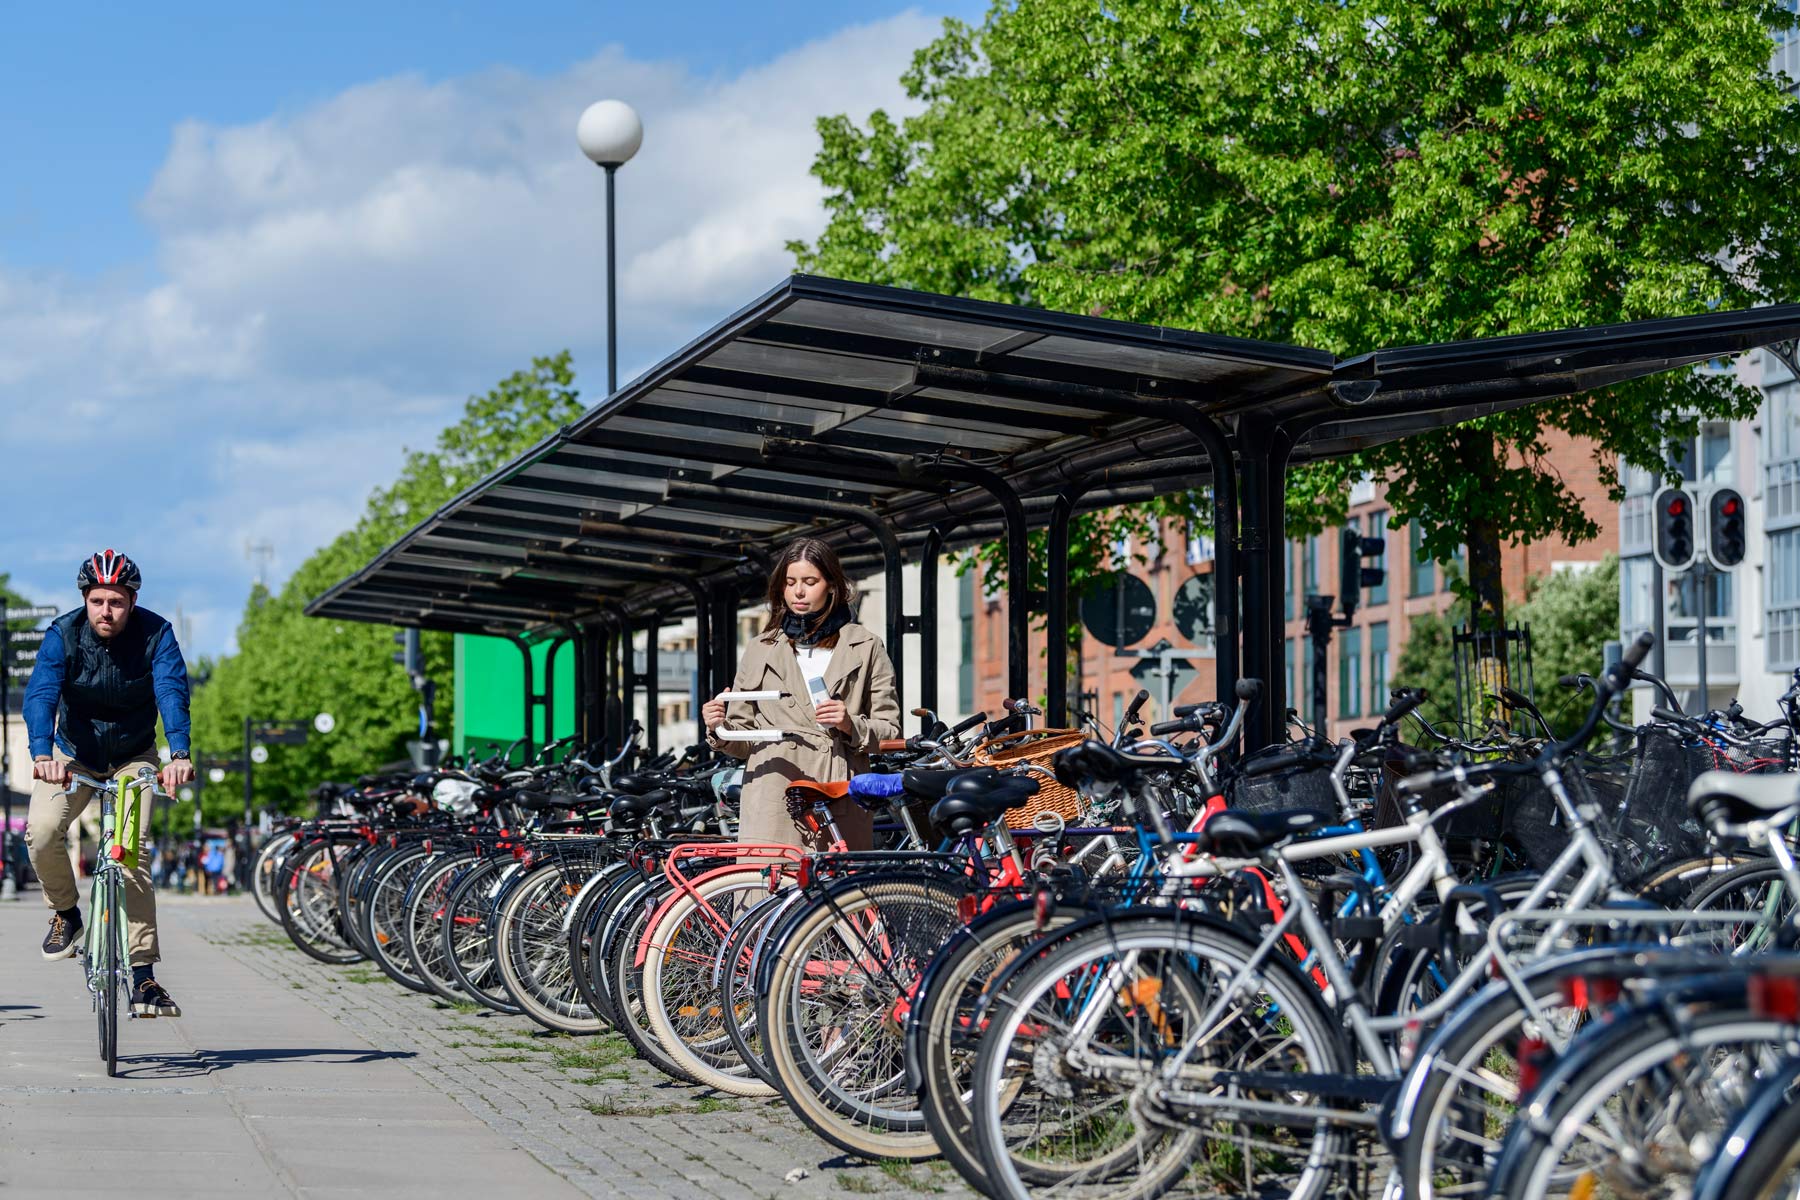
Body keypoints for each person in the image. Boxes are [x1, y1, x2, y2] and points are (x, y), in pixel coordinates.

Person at [23, 550, 193, 1018]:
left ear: (132, 600)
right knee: (40, 831)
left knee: (131, 853)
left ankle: (143, 977)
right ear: (85, 599)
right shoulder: (63, 634)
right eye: (97, 600)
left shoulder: (156, 633)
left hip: (133, 758)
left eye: (116, 601)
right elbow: (41, 693)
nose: (106, 611)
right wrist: (42, 754)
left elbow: (172, 690)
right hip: (71, 757)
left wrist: (179, 754)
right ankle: (67, 913)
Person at [701, 538, 900, 850]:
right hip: (773, 793)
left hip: (838, 793)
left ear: (832, 586)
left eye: (810, 581)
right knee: (771, 892)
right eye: (790, 582)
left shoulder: (866, 645)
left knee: (839, 895)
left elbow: (890, 733)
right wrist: (717, 727)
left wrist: (850, 724)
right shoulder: (760, 648)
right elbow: (743, 740)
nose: (799, 592)